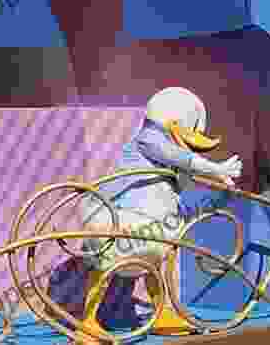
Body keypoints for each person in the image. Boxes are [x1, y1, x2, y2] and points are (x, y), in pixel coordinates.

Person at [77, 87, 243, 342]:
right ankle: (87, 322)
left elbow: (181, 174)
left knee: (156, 265)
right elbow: (178, 156)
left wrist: (216, 175)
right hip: (124, 217)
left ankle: (163, 313)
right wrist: (214, 168)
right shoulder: (148, 138)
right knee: (106, 264)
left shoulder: (167, 154)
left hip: (154, 223)